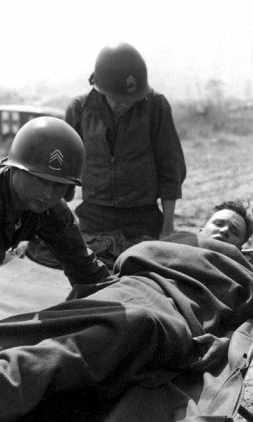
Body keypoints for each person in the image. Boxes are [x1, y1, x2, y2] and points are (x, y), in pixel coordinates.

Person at [0, 204, 253, 422]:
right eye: (219, 222)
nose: (225, 229)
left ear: (243, 245)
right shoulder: (178, 241)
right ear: (202, 227)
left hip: (167, 315)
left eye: (234, 230)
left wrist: (221, 340)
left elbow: (247, 316)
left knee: (109, 332)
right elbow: (130, 260)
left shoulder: (240, 267)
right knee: (48, 322)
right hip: (129, 289)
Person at [55, 41, 185, 268]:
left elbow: (170, 168)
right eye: (117, 98)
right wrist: (63, 216)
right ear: (99, 88)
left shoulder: (156, 107)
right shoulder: (80, 109)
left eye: (130, 100)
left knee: (146, 269)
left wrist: (167, 228)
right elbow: (62, 170)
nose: (124, 105)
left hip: (143, 217)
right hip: (94, 216)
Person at [0, 116, 110, 286]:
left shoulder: (50, 209)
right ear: (15, 169)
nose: (48, 194)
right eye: (40, 180)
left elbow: (86, 272)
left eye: (59, 185)